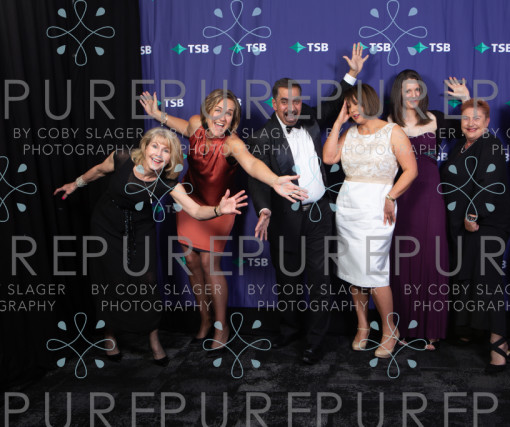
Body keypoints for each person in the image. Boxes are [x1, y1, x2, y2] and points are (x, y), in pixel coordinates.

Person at [54, 128, 248, 364]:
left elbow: (196, 210)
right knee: (108, 280)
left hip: (140, 228)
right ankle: (109, 336)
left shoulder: (167, 182)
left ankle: (153, 339)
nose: (158, 153)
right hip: (106, 225)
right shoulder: (122, 158)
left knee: (147, 282)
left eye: (166, 150)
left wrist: (218, 209)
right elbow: (98, 171)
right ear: (145, 147)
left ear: (170, 158)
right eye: (155, 146)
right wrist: (75, 184)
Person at [139, 89, 307, 349]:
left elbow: (251, 164)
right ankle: (204, 319)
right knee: (191, 261)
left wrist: (275, 181)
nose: (222, 117)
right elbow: (182, 126)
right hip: (190, 201)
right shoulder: (196, 124)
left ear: (234, 119)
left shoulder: (232, 143)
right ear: (207, 112)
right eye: (217, 110)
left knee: (210, 264)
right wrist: (157, 113)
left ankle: (221, 325)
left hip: (221, 206)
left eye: (229, 113)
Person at [248, 43, 368, 364]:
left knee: (319, 280)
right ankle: (289, 330)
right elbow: (257, 178)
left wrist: (351, 74)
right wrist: (264, 209)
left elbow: (333, 103)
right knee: (287, 280)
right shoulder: (262, 137)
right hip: (284, 218)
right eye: (285, 101)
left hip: (318, 214)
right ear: (274, 103)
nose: (292, 107)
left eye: (296, 101)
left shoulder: (311, 119)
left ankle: (315, 341)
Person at [323, 83, 418, 358]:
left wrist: (391, 196)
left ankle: (390, 330)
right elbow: (329, 158)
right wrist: (338, 123)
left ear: (371, 102)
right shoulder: (349, 132)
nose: (353, 110)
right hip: (348, 208)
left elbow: (411, 170)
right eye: (349, 105)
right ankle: (363, 326)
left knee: (374, 272)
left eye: (357, 104)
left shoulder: (393, 131)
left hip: (377, 208)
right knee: (354, 272)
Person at [387, 70, 470, 350]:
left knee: (432, 255)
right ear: (399, 93)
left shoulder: (435, 118)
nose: (413, 95)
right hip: (402, 194)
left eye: (417, 90)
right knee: (403, 258)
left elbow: (471, 128)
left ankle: (431, 328)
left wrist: (466, 99)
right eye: (408, 90)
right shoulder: (389, 122)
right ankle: (401, 328)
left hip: (431, 194)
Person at [439, 99, 510, 373]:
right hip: (462, 225)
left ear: (487, 122)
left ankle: (499, 345)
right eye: (466, 118)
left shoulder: (491, 145)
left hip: (487, 223)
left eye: (477, 119)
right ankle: (469, 329)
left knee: (487, 282)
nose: (471, 123)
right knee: (468, 278)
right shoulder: (460, 146)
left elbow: (490, 183)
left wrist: (473, 214)